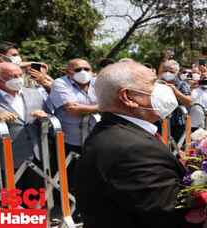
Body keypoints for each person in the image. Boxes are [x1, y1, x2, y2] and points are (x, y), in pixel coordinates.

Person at [74, 61, 188, 228]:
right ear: (128, 97)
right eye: (153, 83)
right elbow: (169, 215)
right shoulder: (134, 150)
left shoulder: (114, 132)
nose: (164, 88)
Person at [0, 62, 48, 190]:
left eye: (20, 75)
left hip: (36, 157)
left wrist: (44, 117)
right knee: (11, 204)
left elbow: (49, 120)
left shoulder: (35, 94)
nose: (18, 79)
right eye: (13, 76)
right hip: (6, 160)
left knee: (35, 201)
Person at [49, 58, 98, 154]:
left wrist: (85, 108)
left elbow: (112, 102)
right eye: (78, 70)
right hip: (69, 141)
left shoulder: (98, 82)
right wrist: (102, 107)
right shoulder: (60, 83)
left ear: (92, 71)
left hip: (95, 138)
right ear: (68, 72)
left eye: (87, 69)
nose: (83, 72)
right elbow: (73, 109)